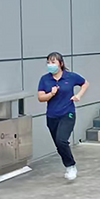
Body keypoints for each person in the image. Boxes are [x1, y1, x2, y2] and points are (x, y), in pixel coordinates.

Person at [37, 52, 89, 180]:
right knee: (58, 144)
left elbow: (85, 83)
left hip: (68, 113)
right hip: (52, 116)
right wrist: (51, 94)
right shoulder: (45, 79)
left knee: (61, 140)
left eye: (53, 62)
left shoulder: (70, 76)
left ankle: (71, 166)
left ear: (60, 63)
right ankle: (69, 165)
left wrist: (78, 95)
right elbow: (41, 97)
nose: (50, 65)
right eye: (48, 62)